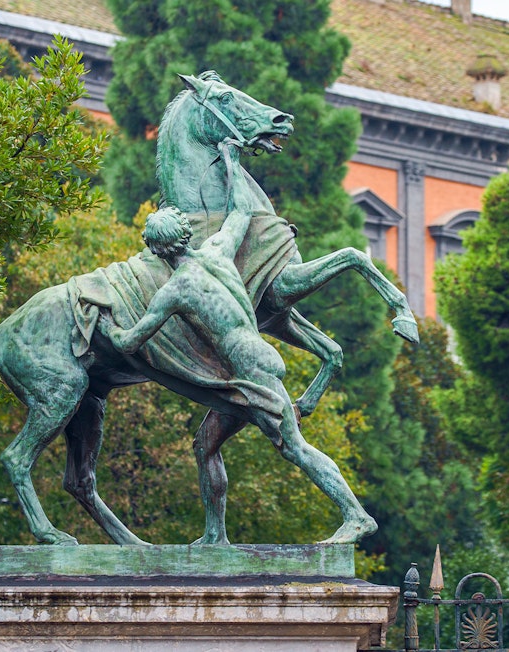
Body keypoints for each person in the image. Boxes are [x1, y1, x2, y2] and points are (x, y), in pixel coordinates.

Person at [100, 139, 376, 544]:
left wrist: (106, 324)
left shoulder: (174, 291)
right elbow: (242, 210)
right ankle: (215, 536)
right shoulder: (217, 250)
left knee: (293, 447)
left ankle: (356, 515)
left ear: (156, 251)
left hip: (249, 371)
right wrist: (231, 159)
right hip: (243, 369)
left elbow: (129, 343)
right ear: (185, 234)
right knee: (206, 444)